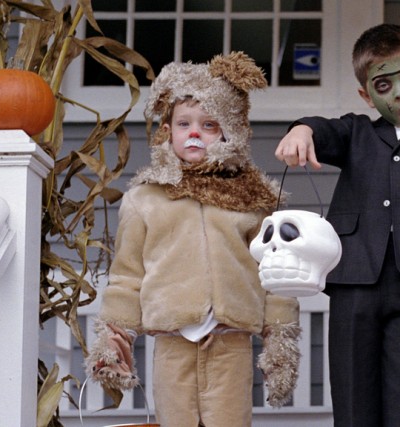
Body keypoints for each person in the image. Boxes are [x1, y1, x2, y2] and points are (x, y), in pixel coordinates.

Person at [274, 23, 400, 427]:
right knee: (354, 399)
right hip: (355, 279)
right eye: (384, 86)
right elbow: (321, 128)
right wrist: (300, 129)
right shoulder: (356, 132)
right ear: (367, 95)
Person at [86, 52, 301, 426]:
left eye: (209, 124)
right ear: (167, 131)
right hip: (172, 340)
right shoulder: (146, 199)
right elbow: (127, 276)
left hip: (230, 338)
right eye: (184, 123)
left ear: (229, 131)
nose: (195, 132)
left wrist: (279, 339)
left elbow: (275, 271)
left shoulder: (250, 199)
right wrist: (115, 338)